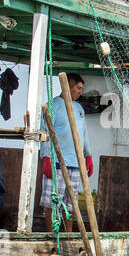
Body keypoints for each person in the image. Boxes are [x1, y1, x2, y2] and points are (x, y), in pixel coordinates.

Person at [40, 73, 93, 232]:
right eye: (78, 88)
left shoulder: (79, 108)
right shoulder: (52, 105)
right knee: (52, 202)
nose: (80, 92)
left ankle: (68, 234)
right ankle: (52, 235)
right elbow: (45, 133)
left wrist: (88, 155)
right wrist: (46, 158)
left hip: (75, 163)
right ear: (68, 86)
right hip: (57, 163)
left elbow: (83, 134)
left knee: (71, 204)